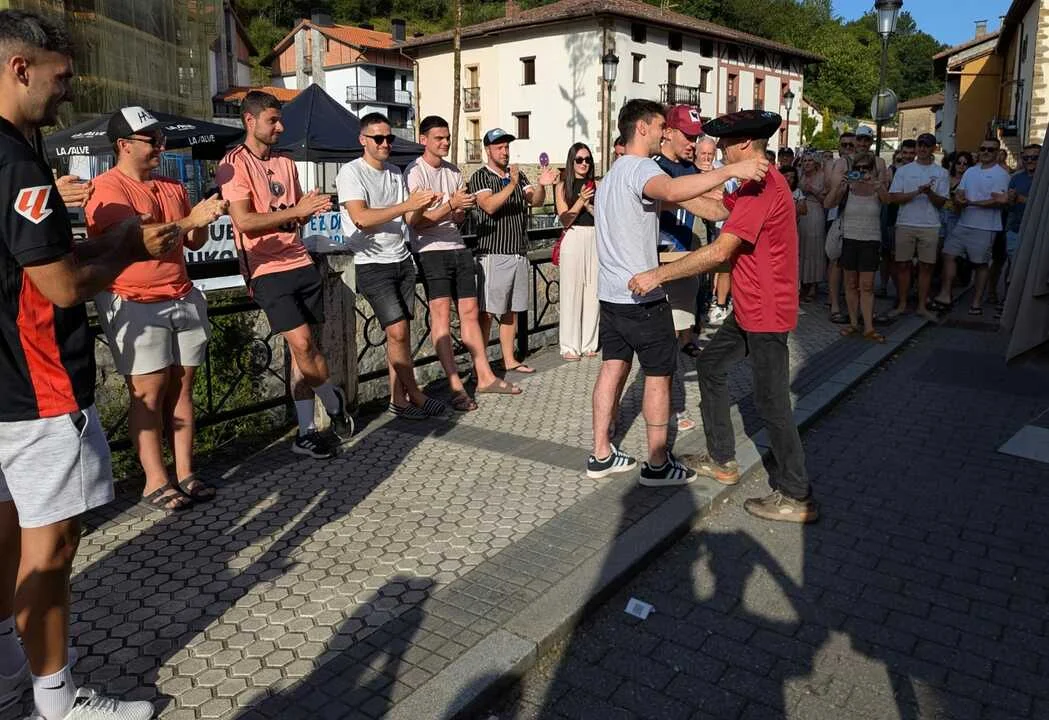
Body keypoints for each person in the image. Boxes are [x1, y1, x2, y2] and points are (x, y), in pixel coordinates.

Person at [0, 10, 180, 719]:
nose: (69, 91)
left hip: (4, 384)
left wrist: (110, 244)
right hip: (38, 385)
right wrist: (130, 248)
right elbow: (61, 285)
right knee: (51, 549)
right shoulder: (17, 161)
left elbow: (31, 263)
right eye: (62, 77)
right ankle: (58, 702)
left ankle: (10, 680)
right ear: (20, 68)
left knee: (5, 537)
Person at [628, 109, 817, 523]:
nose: (719, 152)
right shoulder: (751, 185)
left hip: (766, 310)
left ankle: (796, 493)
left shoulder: (762, 186)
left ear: (744, 144)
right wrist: (665, 189)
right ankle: (722, 459)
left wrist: (656, 275)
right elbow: (716, 209)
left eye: (726, 144)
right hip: (749, 307)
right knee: (711, 365)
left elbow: (719, 251)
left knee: (771, 401)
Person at [587, 99, 767, 486]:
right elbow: (669, 187)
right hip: (642, 296)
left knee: (612, 368)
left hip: (612, 296)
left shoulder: (614, 174)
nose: (664, 132)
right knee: (658, 375)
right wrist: (731, 169)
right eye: (659, 126)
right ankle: (657, 464)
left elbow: (690, 202)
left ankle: (601, 454)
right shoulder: (642, 168)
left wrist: (728, 206)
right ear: (642, 128)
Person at [85, 107, 228, 512]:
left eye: (161, 140)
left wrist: (204, 217)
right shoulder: (105, 189)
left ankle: (185, 472)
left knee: (183, 388)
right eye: (152, 141)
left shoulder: (172, 185)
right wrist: (190, 220)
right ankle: (155, 480)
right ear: (124, 145)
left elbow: (194, 242)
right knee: (147, 394)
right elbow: (139, 240)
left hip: (181, 294)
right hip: (134, 300)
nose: (161, 147)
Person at [218, 91, 353, 459]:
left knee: (304, 352)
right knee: (303, 345)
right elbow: (244, 221)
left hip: (300, 261)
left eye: (280, 120)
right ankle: (332, 401)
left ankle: (306, 433)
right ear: (250, 121)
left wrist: (309, 210)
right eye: (273, 121)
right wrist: (295, 211)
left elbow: (294, 215)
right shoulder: (233, 164)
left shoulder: (286, 163)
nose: (280, 127)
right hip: (265, 269)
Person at [404, 115, 521, 409]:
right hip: (430, 250)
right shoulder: (415, 173)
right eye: (439, 138)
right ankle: (456, 386)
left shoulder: (454, 172)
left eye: (447, 138)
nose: (445, 142)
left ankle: (484, 376)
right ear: (423, 140)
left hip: (458, 247)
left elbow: (455, 218)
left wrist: (459, 210)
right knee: (441, 316)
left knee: (470, 312)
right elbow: (416, 222)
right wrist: (451, 205)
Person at [337, 112, 447, 421]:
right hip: (371, 262)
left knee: (401, 335)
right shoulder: (351, 172)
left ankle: (398, 399)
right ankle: (416, 394)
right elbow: (361, 218)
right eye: (378, 138)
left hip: (401, 259)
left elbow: (409, 219)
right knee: (397, 331)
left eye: (389, 138)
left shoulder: (396, 172)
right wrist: (407, 205)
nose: (385, 143)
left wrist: (424, 205)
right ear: (363, 140)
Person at [468, 128, 559, 377]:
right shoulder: (480, 177)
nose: (505, 151)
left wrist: (541, 186)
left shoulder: (517, 174)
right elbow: (488, 205)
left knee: (511, 311)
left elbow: (535, 200)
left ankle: (509, 360)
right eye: (499, 147)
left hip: (518, 251)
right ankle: (480, 367)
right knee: (487, 312)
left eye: (507, 146)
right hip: (493, 252)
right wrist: (512, 184)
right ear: (488, 150)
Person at [654, 105, 704, 434]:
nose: (693, 144)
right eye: (688, 136)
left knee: (671, 342)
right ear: (669, 132)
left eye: (697, 138)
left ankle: (669, 405)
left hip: (683, 261)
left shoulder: (691, 169)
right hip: (656, 263)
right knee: (653, 345)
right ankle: (666, 408)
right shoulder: (653, 166)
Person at [929, 138, 1010, 315]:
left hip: (985, 227)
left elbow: (1000, 201)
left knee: (980, 264)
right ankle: (945, 294)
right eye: (983, 148)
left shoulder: (1001, 174)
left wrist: (973, 203)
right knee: (948, 254)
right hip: (964, 222)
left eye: (990, 149)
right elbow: (960, 191)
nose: (986, 152)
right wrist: (959, 199)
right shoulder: (971, 171)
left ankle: (976, 302)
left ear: (997, 152)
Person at [824, 150, 889, 342]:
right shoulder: (848, 188)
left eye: (865, 168)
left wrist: (877, 184)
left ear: (872, 169)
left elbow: (888, 201)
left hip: (871, 240)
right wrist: (838, 187)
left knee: (867, 285)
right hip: (849, 239)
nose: (861, 172)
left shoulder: (876, 186)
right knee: (850, 284)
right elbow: (828, 204)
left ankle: (869, 327)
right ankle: (853, 323)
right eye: (858, 168)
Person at [887, 133, 948, 320]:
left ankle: (922, 306)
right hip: (905, 223)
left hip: (930, 225)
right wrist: (917, 192)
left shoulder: (941, 173)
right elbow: (894, 197)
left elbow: (941, 202)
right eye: (920, 145)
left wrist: (929, 193)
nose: (922, 148)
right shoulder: (904, 171)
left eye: (926, 145)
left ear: (933, 148)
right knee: (902, 265)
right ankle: (903, 304)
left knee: (926, 267)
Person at [553, 141, 599, 361]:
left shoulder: (598, 185)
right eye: (579, 159)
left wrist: (589, 204)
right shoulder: (562, 187)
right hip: (573, 237)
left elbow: (603, 216)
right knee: (571, 291)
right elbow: (565, 219)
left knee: (593, 291)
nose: (584, 163)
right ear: (571, 162)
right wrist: (581, 200)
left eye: (587, 159)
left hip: (595, 237)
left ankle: (589, 343)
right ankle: (569, 346)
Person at [695, 135, 735, 325]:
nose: (706, 158)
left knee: (720, 266)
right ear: (696, 152)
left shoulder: (720, 171)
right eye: (703, 153)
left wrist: (713, 178)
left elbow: (721, 196)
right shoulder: (689, 170)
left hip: (718, 226)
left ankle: (717, 303)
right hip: (695, 228)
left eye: (710, 154)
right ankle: (699, 306)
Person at [1000, 144, 1039, 314]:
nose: (1030, 161)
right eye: (1026, 157)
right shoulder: (1016, 178)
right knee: (1013, 266)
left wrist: (1022, 199)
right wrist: (1008, 200)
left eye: (1034, 157)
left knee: (1034, 271)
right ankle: (1008, 302)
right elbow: (1009, 206)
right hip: (1015, 229)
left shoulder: (1043, 179)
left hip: (1038, 232)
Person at [825, 131, 856, 324]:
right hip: (836, 215)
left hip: (857, 218)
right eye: (844, 145)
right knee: (835, 260)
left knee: (852, 263)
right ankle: (834, 301)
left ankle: (850, 302)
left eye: (851, 145)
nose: (847, 148)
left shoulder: (864, 164)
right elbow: (830, 188)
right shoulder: (833, 165)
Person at [797, 152, 827, 302]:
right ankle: (802, 283)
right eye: (804, 161)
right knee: (801, 247)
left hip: (816, 211)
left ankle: (814, 285)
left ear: (816, 163)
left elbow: (827, 200)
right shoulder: (799, 175)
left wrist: (812, 190)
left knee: (814, 248)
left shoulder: (823, 176)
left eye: (810, 160)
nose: (807, 163)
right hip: (801, 213)